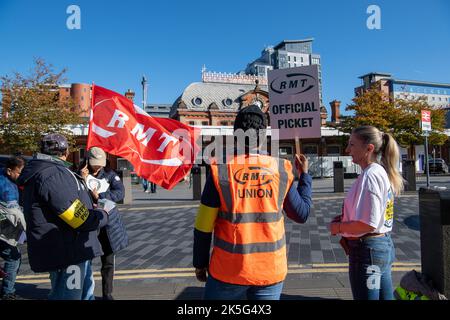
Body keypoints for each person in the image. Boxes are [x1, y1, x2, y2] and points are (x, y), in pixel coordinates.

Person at [193, 105, 312, 300]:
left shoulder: (221, 171)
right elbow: (301, 214)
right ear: (264, 136)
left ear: (235, 134)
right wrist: (305, 176)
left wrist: (199, 263)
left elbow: (203, 227)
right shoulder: (282, 170)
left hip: (227, 271)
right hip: (269, 269)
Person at [17, 134, 110, 300]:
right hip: (68, 250)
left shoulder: (46, 171)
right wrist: (102, 215)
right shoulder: (53, 174)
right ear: (66, 152)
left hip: (67, 247)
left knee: (84, 294)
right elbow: (76, 216)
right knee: (69, 296)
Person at [329, 126, 404, 300]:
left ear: (369, 148)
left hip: (368, 251)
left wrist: (337, 227)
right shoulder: (374, 172)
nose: (347, 150)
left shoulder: (371, 175)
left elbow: (367, 223)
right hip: (378, 247)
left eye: (352, 145)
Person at [79, 147, 128, 300]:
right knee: (85, 261)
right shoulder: (78, 175)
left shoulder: (110, 175)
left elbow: (120, 193)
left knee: (108, 261)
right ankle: (85, 293)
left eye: (100, 163)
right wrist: (82, 179)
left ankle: (107, 293)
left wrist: (100, 196)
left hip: (108, 224)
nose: (97, 166)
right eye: (94, 163)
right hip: (87, 223)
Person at [0, 156, 25, 300]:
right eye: (19, 172)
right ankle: (8, 292)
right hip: (4, 227)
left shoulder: (5, 177)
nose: (21, 176)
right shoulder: (6, 187)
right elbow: (15, 213)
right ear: (9, 171)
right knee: (13, 257)